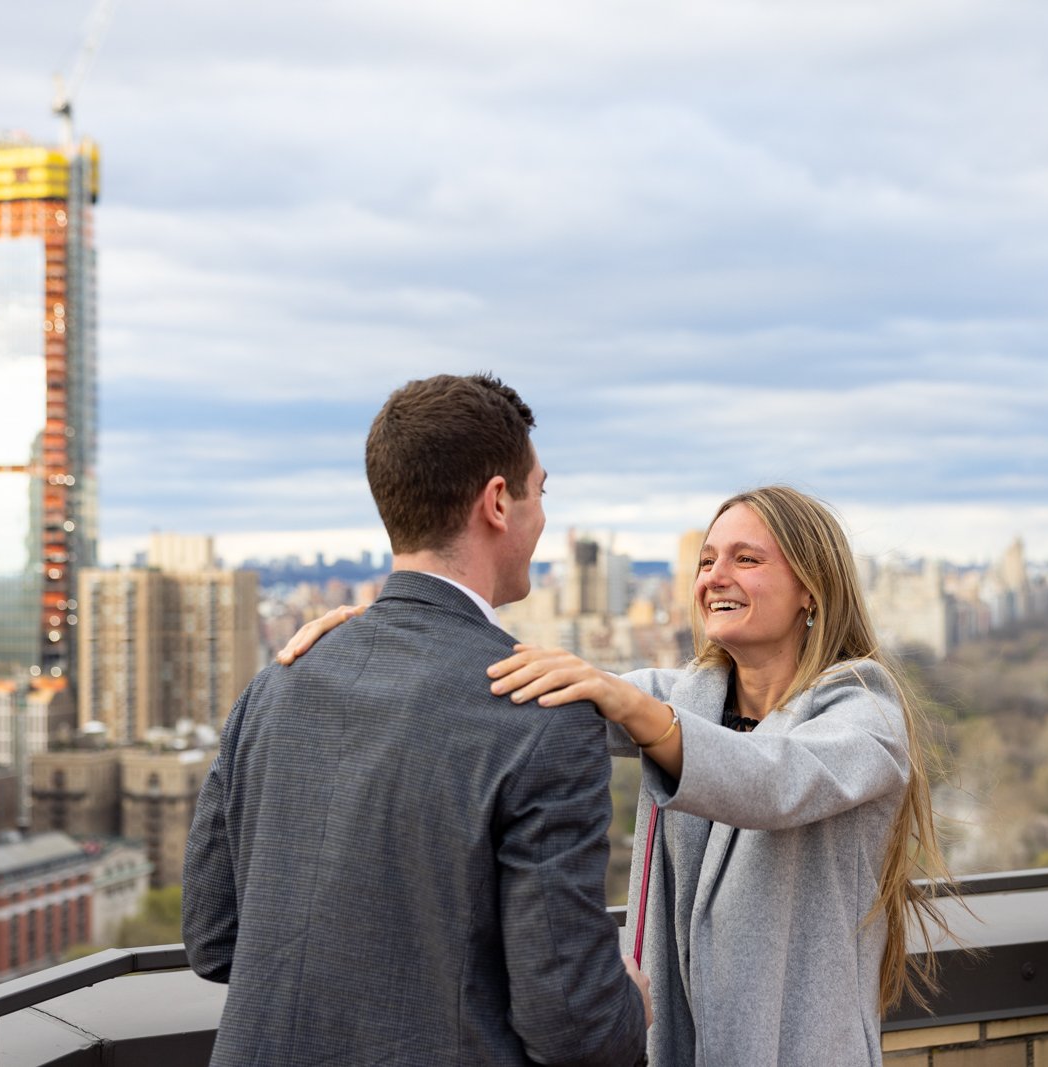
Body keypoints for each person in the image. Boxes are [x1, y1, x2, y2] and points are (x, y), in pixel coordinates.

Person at [282, 485, 952, 1066]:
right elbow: (511, 701)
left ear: (812, 586)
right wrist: (382, 636)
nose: (716, 575)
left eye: (746, 559)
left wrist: (635, 709)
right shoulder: (687, 696)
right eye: (707, 560)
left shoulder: (864, 711)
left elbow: (773, 782)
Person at [183, 373, 650, 1066]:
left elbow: (216, 938)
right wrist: (633, 1001)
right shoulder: (542, 717)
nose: (543, 515)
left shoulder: (277, 680)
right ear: (498, 501)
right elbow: (570, 1023)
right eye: (539, 491)